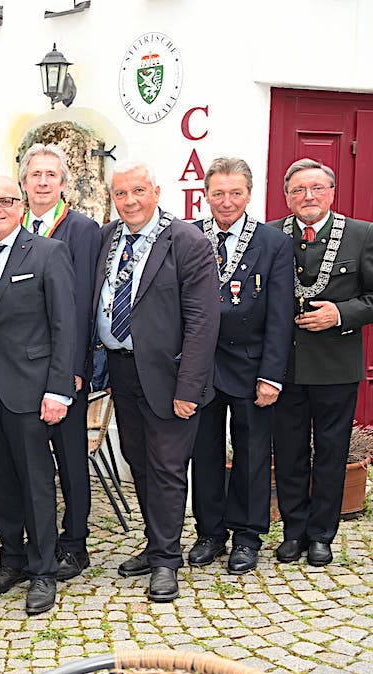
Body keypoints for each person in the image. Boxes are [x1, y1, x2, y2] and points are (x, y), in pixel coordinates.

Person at [94, 161, 219, 602]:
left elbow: (203, 321)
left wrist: (189, 388)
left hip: (171, 375)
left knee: (167, 466)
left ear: (157, 192)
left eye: (138, 191)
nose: (129, 201)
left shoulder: (187, 241)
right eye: (121, 193)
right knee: (139, 460)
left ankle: (167, 561)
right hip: (123, 370)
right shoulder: (107, 238)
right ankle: (154, 545)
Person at [0, 175, 75, 615]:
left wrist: (59, 390)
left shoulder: (48, 253)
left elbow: (65, 325)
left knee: (35, 482)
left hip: (30, 390)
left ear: (21, 205)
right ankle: (11, 558)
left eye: (6, 201)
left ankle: (44, 569)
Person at [188, 157, 293, 575]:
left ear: (249, 195)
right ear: (206, 195)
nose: (226, 201)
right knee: (204, 452)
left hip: (251, 365)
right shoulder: (190, 235)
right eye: (218, 193)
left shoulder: (272, 242)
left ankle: (247, 537)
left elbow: (281, 315)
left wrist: (271, 375)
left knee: (251, 453)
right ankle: (210, 533)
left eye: (235, 193)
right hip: (200, 364)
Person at [271, 158, 373, 566]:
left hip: (336, 364)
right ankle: (293, 531)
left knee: (331, 452)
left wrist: (341, 314)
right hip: (285, 365)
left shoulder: (362, 234)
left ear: (332, 192)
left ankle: (321, 535)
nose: (308, 196)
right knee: (289, 451)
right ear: (287, 197)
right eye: (298, 190)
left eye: (316, 188)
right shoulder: (272, 235)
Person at [17, 143, 101, 580]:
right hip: (22, 369)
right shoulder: (14, 225)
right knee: (29, 460)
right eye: (36, 174)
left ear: (64, 183)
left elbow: (83, 303)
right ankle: (35, 537)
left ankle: (75, 542)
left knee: (70, 459)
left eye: (51, 174)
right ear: (24, 182)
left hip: (65, 368)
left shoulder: (82, 229)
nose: (43, 182)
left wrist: (74, 369)